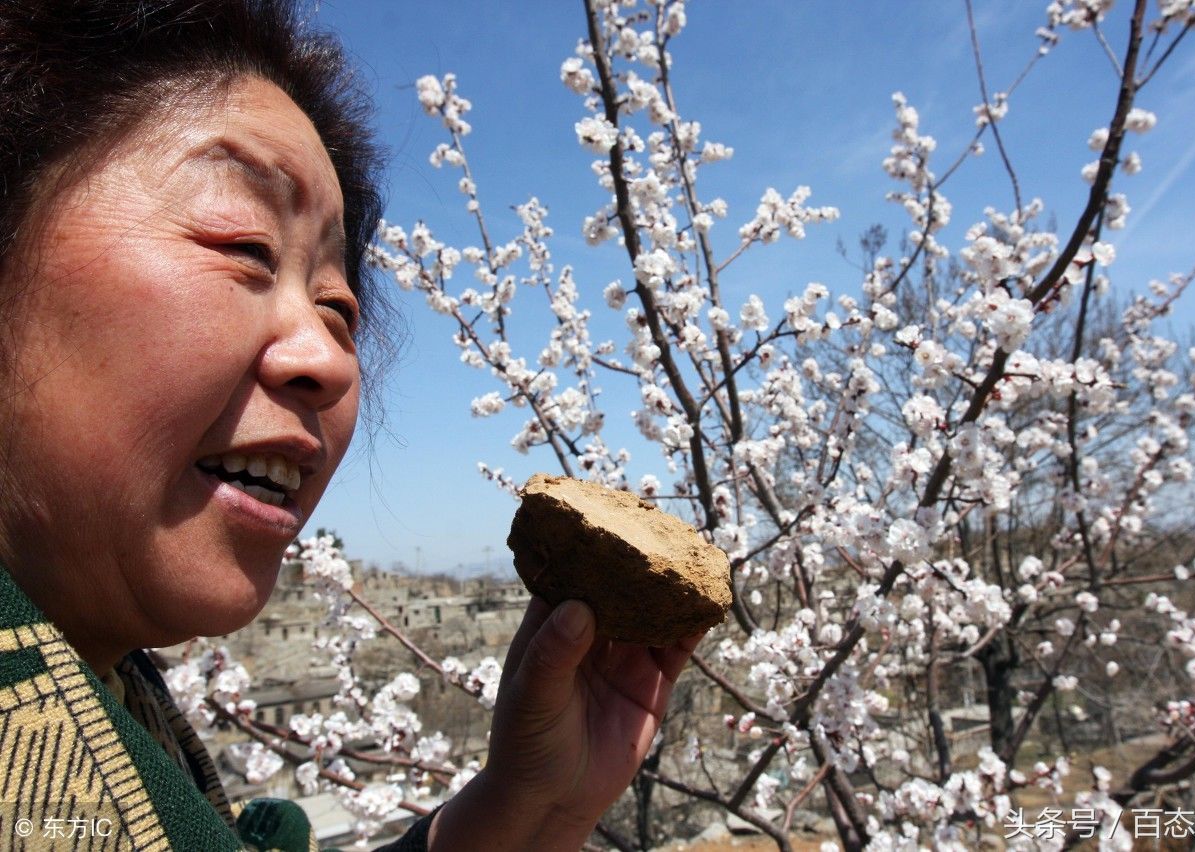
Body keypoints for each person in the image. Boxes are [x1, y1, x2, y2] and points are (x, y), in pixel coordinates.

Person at [0, 1, 702, 849]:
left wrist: (525, 809)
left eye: (339, 306)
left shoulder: (103, 715)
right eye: (245, 246)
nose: (328, 359)